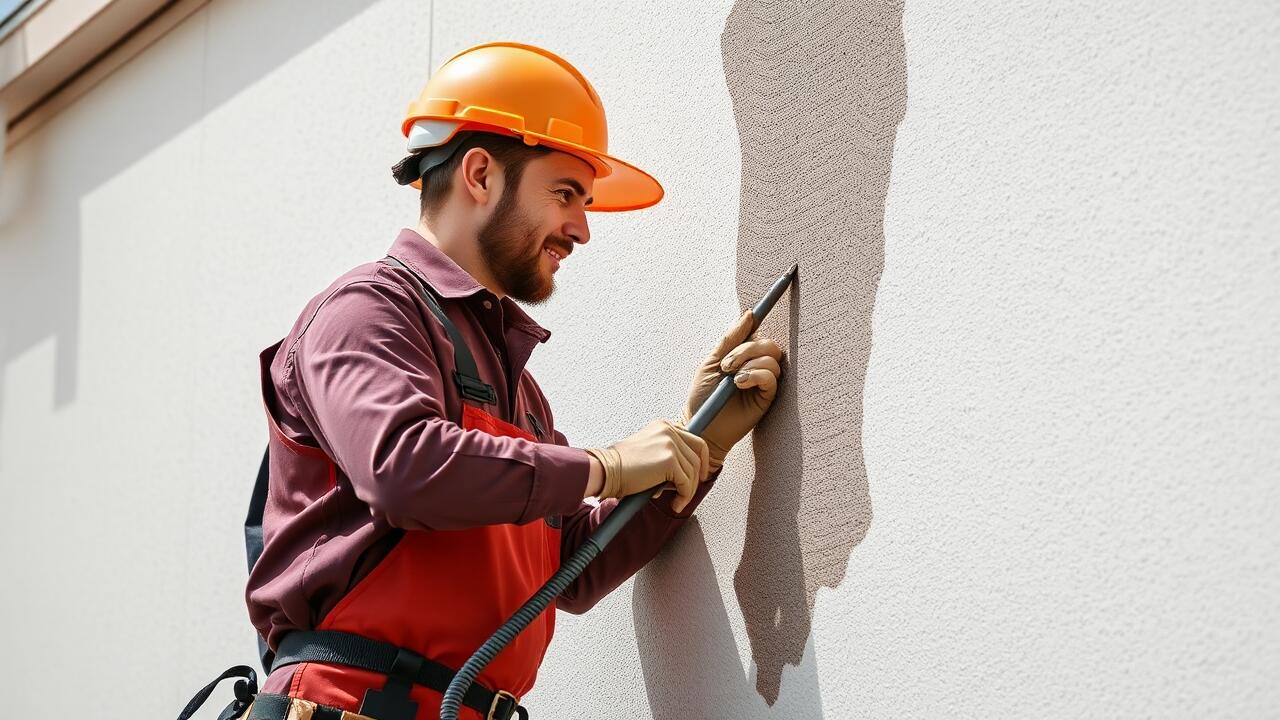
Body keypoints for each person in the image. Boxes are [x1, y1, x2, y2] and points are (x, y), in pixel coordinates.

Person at [242, 42, 783, 720]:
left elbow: (566, 569)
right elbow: (403, 468)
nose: (582, 228)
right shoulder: (367, 312)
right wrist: (607, 465)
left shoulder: (516, 389)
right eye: (565, 194)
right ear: (480, 175)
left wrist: (702, 439)